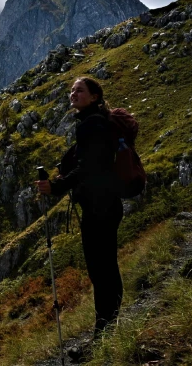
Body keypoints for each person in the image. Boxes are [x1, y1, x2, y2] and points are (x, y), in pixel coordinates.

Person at [35, 77, 123, 339]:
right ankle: (109, 324)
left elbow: (89, 167)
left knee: (100, 269)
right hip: (105, 204)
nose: (73, 93)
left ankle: (104, 330)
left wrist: (58, 187)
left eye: (80, 90)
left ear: (94, 96)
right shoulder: (95, 121)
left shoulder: (91, 124)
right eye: (72, 90)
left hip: (99, 206)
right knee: (107, 266)